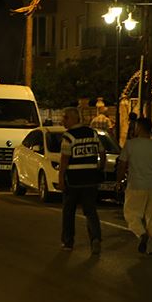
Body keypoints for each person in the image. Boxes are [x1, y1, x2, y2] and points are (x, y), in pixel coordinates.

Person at [57, 107, 105, 254]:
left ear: (72, 119)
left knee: (69, 212)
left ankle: (68, 242)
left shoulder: (68, 136)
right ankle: (95, 238)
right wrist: (98, 169)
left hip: (74, 180)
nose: (62, 121)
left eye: (64, 118)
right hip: (90, 179)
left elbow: (64, 160)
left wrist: (61, 180)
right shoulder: (93, 133)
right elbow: (102, 154)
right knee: (90, 211)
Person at [116, 118, 152, 255]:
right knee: (151, 216)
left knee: (131, 213)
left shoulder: (130, 145)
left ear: (138, 127)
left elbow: (122, 165)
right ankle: (151, 248)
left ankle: (141, 233)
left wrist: (118, 181)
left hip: (136, 184)